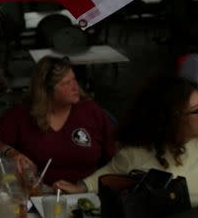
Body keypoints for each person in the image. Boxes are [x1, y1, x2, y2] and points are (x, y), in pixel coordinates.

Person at [54, 75, 198, 206]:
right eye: (196, 110)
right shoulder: (136, 153)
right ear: (173, 118)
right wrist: (81, 188)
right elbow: (109, 172)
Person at [0, 55, 116, 184]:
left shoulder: (91, 111)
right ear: (46, 90)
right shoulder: (24, 114)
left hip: (87, 193)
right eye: (66, 83)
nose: (75, 87)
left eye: (74, 79)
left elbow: (117, 156)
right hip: (38, 192)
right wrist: (10, 152)